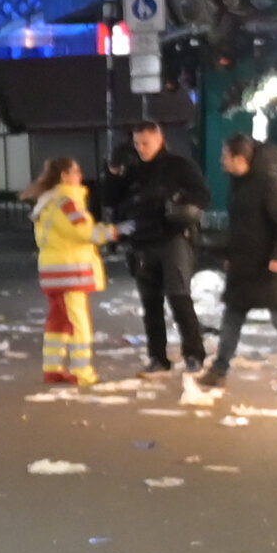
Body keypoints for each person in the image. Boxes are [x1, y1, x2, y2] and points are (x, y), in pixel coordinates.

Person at [99, 121, 208, 377]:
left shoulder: (178, 166)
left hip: (172, 238)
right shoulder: (131, 168)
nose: (141, 148)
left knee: (179, 298)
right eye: (137, 143)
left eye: (146, 143)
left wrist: (176, 198)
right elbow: (107, 199)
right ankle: (157, 357)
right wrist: (114, 173)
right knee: (151, 304)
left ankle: (194, 354)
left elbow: (203, 196)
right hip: (140, 241)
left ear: (160, 138)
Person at [213, 138, 277, 390]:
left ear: (240, 159)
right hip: (244, 266)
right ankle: (219, 369)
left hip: (270, 267)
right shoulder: (238, 183)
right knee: (232, 316)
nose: (221, 161)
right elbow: (239, 226)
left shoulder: (270, 183)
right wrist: (230, 254)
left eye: (225, 156)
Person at [25, 151, 111, 388]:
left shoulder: (48, 201)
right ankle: (84, 371)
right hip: (70, 272)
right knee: (78, 322)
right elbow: (84, 232)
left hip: (53, 272)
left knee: (59, 321)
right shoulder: (67, 201)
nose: (81, 176)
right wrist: (113, 232)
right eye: (77, 171)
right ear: (65, 176)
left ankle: (52, 368)